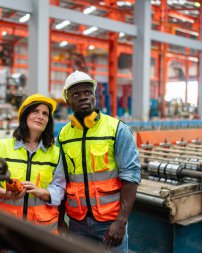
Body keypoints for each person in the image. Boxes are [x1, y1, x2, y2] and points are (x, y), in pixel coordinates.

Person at [57, 71, 141, 252]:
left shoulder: (116, 129)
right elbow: (60, 181)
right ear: (67, 100)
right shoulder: (64, 135)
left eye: (88, 92)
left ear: (94, 96)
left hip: (110, 223)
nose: (83, 97)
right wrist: (60, 220)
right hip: (77, 224)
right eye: (76, 94)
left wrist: (121, 221)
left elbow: (131, 176)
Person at [0, 94, 65, 234]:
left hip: (42, 229)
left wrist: (42, 192)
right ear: (25, 116)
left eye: (45, 114)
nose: (40, 116)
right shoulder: (1, 147)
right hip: (7, 226)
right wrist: (5, 194)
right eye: (35, 111)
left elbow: (60, 187)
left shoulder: (56, 153)